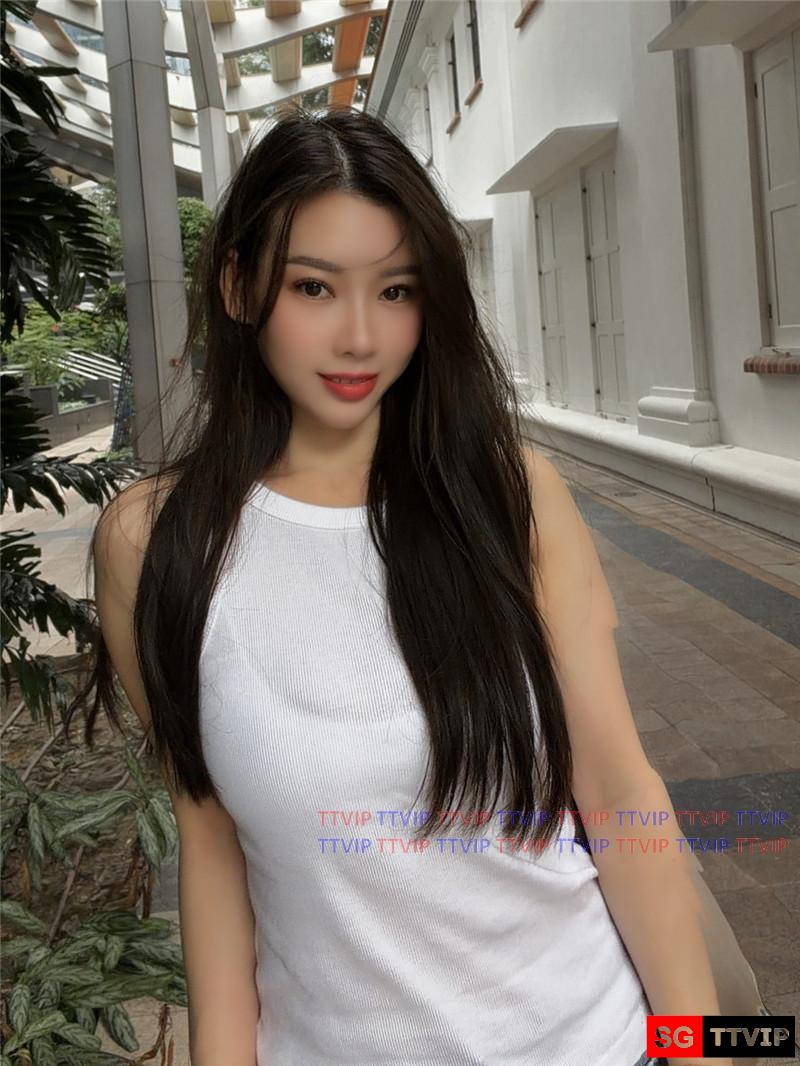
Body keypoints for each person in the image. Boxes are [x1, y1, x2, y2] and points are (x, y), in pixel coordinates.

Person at [69, 106, 733, 1066]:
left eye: (395, 291)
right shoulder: (153, 541)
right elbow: (209, 838)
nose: (359, 337)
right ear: (239, 285)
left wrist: (699, 1048)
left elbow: (619, 791)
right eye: (312, 286)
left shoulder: (509, 497)